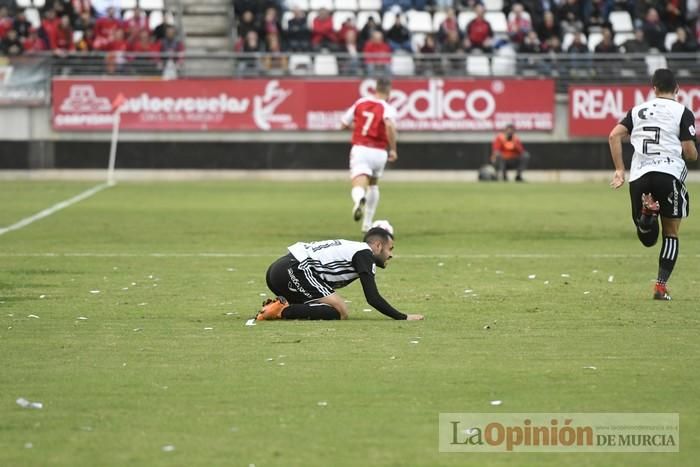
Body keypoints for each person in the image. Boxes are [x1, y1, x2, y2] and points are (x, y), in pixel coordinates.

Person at [609, 68, 697, 300]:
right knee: (671, 233)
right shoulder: (683, 112)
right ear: (677, 89)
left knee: (647, 238)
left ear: (654, 88)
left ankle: (647, 217)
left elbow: (613, 135)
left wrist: (620, 170)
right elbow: (689, 153)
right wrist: (693, 153)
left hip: (639, 176)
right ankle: (660, 287)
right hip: (668, 174)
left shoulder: (637, 111)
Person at [256, 227, 424, 321]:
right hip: (294, 270)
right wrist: (403, 317)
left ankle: (279, 306)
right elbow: (372, 297)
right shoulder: (364, 253)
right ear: (378, 246)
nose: (391, 255)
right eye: (390, 249)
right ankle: (281, 310)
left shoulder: (355, 249)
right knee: (340, 311)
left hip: (279, 270)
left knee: (328, 309)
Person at [340, 77, 398, 232]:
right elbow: (389, 125)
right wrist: (393, 149)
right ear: (389, 91)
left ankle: (359, 199)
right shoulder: (387, 107)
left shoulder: (360, 103)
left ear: (375, 89)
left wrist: (359, 128)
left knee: (359, 183)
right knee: (373, 184)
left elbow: (343, 124)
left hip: (361, 149)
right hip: (379, 152)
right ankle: (367, 223)